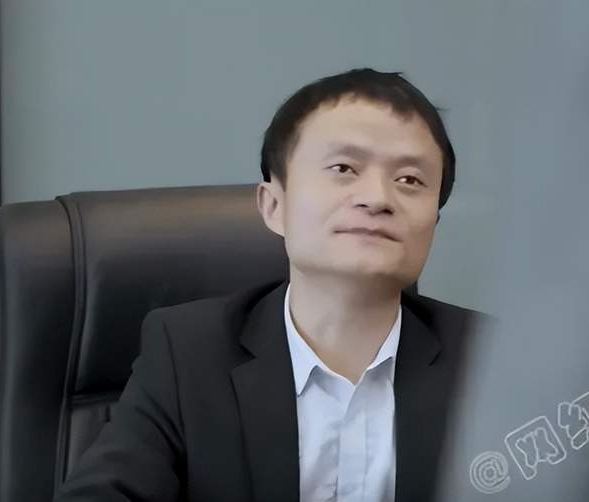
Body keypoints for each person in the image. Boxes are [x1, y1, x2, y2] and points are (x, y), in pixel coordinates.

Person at [54, 68, 495, 502]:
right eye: (344, 168)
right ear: (273, 206)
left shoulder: (494, 361)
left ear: (433, 221)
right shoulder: (187, 353)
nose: (378, 198)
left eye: (410, 180)